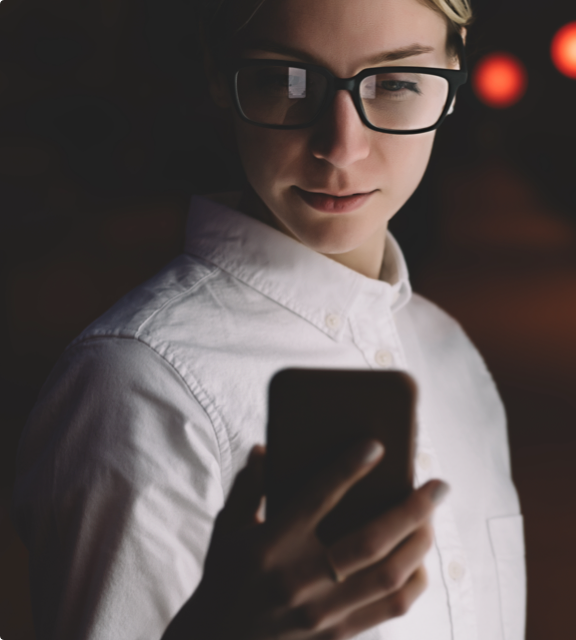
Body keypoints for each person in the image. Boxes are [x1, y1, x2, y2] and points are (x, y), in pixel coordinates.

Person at [13, 0, 526, 638]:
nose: (341, 149)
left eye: (395, 84)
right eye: (287, 80)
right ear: (217, 75)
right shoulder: (137, 385)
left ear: (455, 76)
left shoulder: (451, 354)